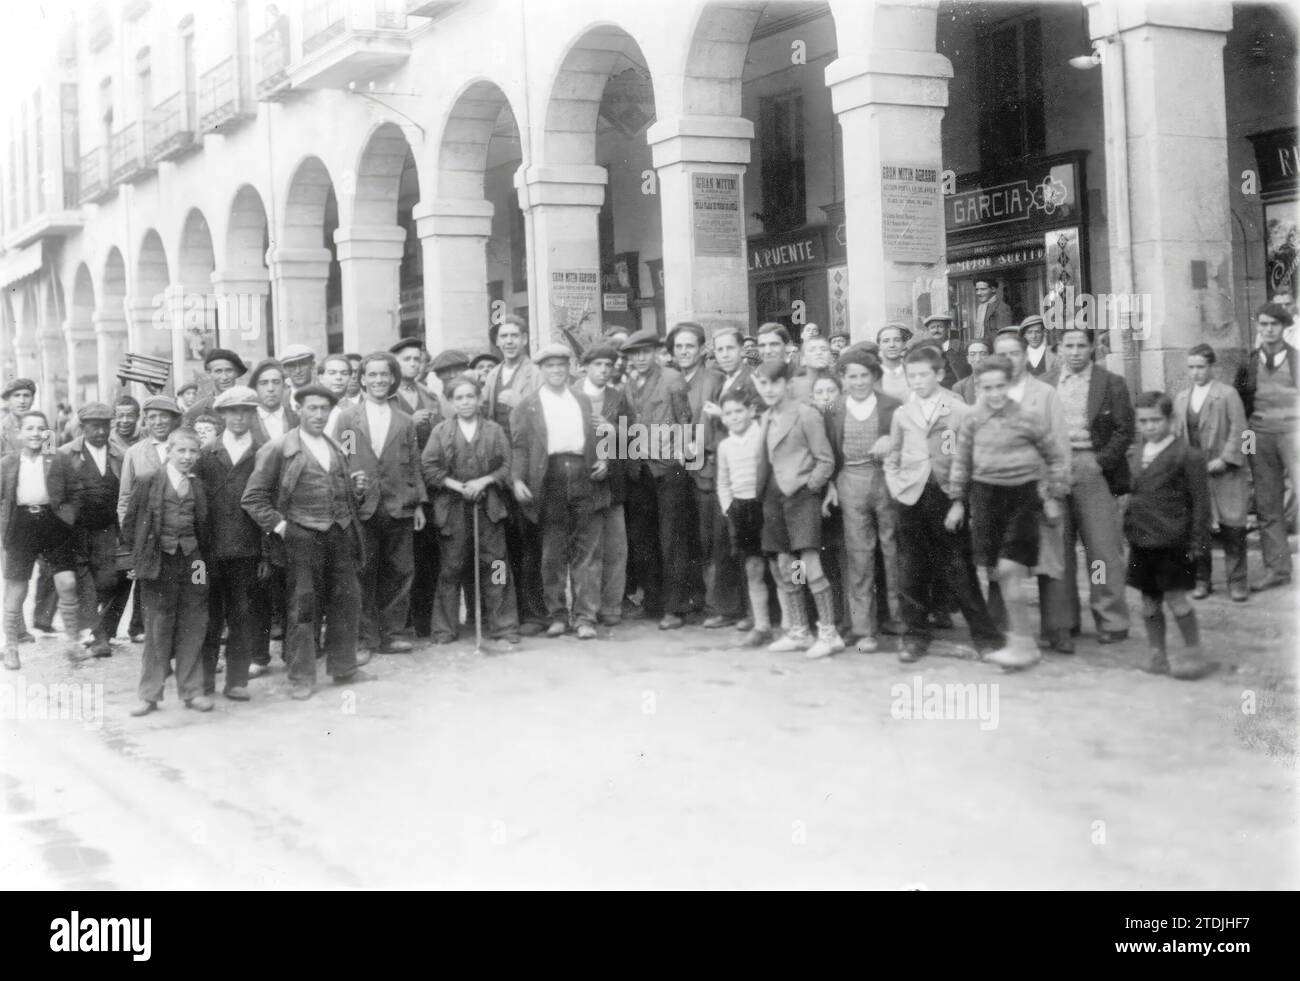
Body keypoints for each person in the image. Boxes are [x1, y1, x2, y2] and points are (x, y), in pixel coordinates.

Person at [242, 384, 369, 700]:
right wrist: (283, 527)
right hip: (302, 537)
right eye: (312, 408)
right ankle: (301, 677)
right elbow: (253, 497)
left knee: (347, 599)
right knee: (303, 607)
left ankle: (344, 668)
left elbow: (338, 492)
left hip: (339, 532)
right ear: (298, 409)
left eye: (324, 409)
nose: (319, 414)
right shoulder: (279, 447)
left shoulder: (334, 446)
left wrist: (357, 489)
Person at [945, 356, 1067, 670]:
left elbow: (1054, 456)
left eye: (1001, 386)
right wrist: (958, 501)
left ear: (1010, 385)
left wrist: (1052, 494)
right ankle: (1022, 643)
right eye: (988, 388)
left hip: (1021, 498)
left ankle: (1022, 644)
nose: (995, 393)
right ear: (979, 388)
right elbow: (961, 462)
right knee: (998, 573)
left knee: (1010, 569)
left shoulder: (1028, 417)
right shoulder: (972, 418)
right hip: (985, 497)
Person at [885, 347, 1004, 663]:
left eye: (924, 374)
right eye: (912, 376)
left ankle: (986, 638)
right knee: (911, 569)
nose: (918, 381)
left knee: (959, 569)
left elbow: (967, 459)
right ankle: (915, 636)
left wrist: (959, 502)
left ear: (938, 375)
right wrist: (897, 486)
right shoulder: (902, 413)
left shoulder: (958, 410)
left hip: (946, 497)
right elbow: (892, 456)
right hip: (910, 497)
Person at [509, 344, 606, 640]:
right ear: (541, 370)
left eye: (561, 366)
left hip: (582, 473)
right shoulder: (529, 404)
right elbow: (520, 446)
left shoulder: (583, 400)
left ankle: (585, 617)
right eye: (549, 366)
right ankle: (557, 615)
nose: (556, 371)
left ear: (569, 368)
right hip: (548, 477)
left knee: (587, 550)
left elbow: (596, 435)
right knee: (552, 552)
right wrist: (516, 479)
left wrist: (604, 457)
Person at [1043, 327, 1132, 647]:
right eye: (1069, 345)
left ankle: (1111, 618)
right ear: (1059, 349)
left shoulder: (1111, 383)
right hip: (1055, 468)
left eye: (1082, 345)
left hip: (1091, 468)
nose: (1076, 351)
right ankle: (1066, 621)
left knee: (1102, 550)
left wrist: (1100, 461)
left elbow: (1124, 431)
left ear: (1092, 348)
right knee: (1059, 549)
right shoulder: (1046, 383)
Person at [988, 328, 1074, 652]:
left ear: (1025, 356)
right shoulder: (990, 395)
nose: (1008, 360)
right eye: (1002, 354)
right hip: (1001, 491)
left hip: (1039, 491)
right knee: (1002, 561)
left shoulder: (1045, 394)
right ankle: (1000, 627)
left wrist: (1055, 490)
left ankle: (1056, 629)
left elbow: (1059, 446)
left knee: (1049, 562)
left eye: (1014, 353)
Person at [336, 351, 427, 655]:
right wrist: (351, 486)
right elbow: (343, 458)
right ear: (361, 379)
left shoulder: (404, 421)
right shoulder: (349, 418)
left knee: (399, 570)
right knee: (362, 571)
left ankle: (392, 633)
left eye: (384, 375)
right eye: (371, 375)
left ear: (392, 379)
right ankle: (363, 639)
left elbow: (414, 465)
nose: (378, 380)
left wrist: (417, 505)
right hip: (362, 506)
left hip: (398, 504)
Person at [752, 360, 842, 659]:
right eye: (762, 383)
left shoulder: (806, 414)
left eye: (774, 383)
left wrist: (810, 489)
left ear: (787, 384)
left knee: (810, 565)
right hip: (773, 498)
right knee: (785, 567)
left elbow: (825, 459)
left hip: (801, 497)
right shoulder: (765, 417)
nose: (768, 389)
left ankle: (829, 634)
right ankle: (800, 632)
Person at [422, 373, 519, 646]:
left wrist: (484, 481)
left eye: (470, 397)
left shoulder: (494, 431)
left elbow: (507, 466)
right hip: (452, 510)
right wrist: (457, 485)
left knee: (497, 564)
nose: (465, 402)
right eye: (459, 398)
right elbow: (429, 467)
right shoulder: (440, 431)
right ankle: (444, 629)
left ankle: (504, 624)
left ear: (479, 399)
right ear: (451, 402)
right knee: (451, 568)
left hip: (489, 508)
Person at [122, 428, 213, 716]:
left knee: (195, 620)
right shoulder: (149, 481)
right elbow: (129, 525)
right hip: (159, 561)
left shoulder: (199, 486)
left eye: (192, 452)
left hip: (195, 562)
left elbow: (205, 527)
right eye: (181, 451)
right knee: (157, 627)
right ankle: (149, 695)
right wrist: (139, 561)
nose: (187, 457)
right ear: (169, 452)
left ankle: (192, 691)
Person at [1125, 392, 1215, 679]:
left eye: (1155, 420)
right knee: (1149, 602)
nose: (1149, 427)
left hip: (1173, 542)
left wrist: (1198, 543)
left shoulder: (1187, 455)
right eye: (1143, 421)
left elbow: (1201, 503)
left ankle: (1193, 654)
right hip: (1143, 541)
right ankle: (1157, 655)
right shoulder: (1138, 452)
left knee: (1176, 599)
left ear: (1171, 420)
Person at [824, 349, 902, 652]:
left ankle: (899, 619)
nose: (858, 381)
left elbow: (909, 441)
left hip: (886, 479)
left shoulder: (892, 406)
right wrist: (832, 484)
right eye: (851, 376)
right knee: (859, 555)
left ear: (874, 376)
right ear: (843, 379)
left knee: (894, 550)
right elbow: (828, 450)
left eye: (864, 375)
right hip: (850, 482)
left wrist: (892, 442)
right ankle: (863, 628)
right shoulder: (834, 408)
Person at [193, 387, 265, 702]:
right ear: (222, 415)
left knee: (243, 615)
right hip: (210, 552)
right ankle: (205, 681)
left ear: (253, 414)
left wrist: (265, 551)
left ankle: (236, 680)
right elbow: (195, 504)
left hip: (247, 551)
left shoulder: (264, 452)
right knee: (208, 616)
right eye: (232, 410)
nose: (239, 416)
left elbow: (271, 501)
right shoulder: (206, 454)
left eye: (246, 410)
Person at [620, 329, 695, 629]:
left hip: (668, 468)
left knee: (672, 538)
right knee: (643, 538)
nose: (640, 358)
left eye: (645, 352)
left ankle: (675, 608)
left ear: (655, 353)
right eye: (634, 354)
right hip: (639, 470)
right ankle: (652, 601)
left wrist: (683, 460)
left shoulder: (671, 379)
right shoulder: (627, 384)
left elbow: (685, 420)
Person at [0, 411, 86, 670]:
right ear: (20, 433)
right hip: (21, 525)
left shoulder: (57, 459)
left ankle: (72, 643)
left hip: (53, 523)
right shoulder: (8, 462)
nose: (36, 434)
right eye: (30, 429)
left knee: (67, 582)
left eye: (41, 429)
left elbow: (76, 492)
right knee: (16, 588)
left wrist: (66, 519)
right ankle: (11, 647)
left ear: (48, 433)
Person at [479, 316, 546, 635]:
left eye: (514, 336)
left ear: (525, 339)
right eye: (503, 336)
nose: (508, 341)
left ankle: (535, 612)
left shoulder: (536, 374)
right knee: (504, 545)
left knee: (531, 541)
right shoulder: (492, 374)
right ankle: (507, 612)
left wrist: (523, 405)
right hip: (500, 467)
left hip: (528, 466)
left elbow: (547, 417)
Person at [671, 321, 738, 627]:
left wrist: (694, 448)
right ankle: (693, 599)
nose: (684, 352)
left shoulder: (714, 380)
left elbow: (717, 426)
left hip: (706, 469)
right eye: (678, 346)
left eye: (689, 346)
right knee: (685, 538)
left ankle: (718, 603)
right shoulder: (670, 379)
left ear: (701, 350)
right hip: (676, 471)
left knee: (712, 537)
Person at [47, 402, 127, 660]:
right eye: (94, 427)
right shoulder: (65, 454)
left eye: (105, 426)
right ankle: (99, 636)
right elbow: (56, 496)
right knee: (85, 583)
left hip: (107, 529)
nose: (101, 432)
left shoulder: (120, 454)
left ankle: (99, 631)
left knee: (111, 580)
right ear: (82, 428)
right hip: (76, 530)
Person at [1173, 344, 1250, 602]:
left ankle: (1237, 582)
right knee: (1199, 527)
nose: (1196, 372)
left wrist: (1226, 458)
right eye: (1191, 367)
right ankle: (1201, 579)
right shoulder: (1182, 398)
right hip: (1196, 474)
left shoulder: (1227, 394)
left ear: (1211, 367)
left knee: (1233, 528)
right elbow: (1177, 435)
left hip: (1224, 472)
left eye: (1201, 367)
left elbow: (1240, 429)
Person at [1233, 301, 1297, 591]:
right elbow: (1240, 404)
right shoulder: (1249, 362)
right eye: (1263, 324)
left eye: (1273, 324)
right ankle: (1278, 569)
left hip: (1294, 436)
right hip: (1260, 437)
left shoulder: (1297, 359)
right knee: (1268, 503)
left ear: (1284, 327)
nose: (1268, 329)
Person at [576, 344, 634, 627]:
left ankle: (611, 606)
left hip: (612, 485)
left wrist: (613, 434)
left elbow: (633, 440)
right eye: (597, 365)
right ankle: (585, 608)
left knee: (616, 547)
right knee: (587, 550)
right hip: (580, 484)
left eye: (608, 366)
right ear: (585, 366)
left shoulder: (618, 397)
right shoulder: (572, 394)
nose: (602, 371)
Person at [389, 337, 443, 638]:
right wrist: (410, 419)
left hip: (430, 482)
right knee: (400, 556)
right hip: (400, 484)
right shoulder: (387, 396)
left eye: (418, 359)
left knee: (427, 554)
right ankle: (401, 621)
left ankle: (425, 619)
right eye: (407, 359)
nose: (413, 364)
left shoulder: (430, 395)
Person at [716, 388, 771, 646]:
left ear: (751, 411)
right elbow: (723, 482)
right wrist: (730, 509)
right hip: (742, 510)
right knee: (753, 568)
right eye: (728, 413)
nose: (735, 417)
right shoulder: (725, 446)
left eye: (739, 411)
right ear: (723, 418)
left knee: (785, 567)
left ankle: (796, 623)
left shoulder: (762, 436)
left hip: (767, 506)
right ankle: (761, 625)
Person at [184, 349, 248, 424]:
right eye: (218, 371)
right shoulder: (196, 411)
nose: (224, 377)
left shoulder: (249, 406)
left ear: (237, 373)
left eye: (229, 370)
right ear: (209, 374)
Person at [249, 358, 298, 444]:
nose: (270, 389)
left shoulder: (297, 419)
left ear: (284, 386)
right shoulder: (246, 421)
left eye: (276, 382)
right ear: (255, 388)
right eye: (264, 383)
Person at [921, 313, 970, 387]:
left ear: (948, 328)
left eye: (940, 327)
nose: (936, 330)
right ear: (928, 330)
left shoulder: (960, 347)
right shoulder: (925, 350)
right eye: (932, 327)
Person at [316, 354, 354, 437]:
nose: (338, 377)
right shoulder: (311, 409)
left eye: (344, 373)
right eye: (332, 373)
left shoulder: (356, 411)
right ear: (321, 378)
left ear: (350, 378)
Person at [1, 379, 37, 456]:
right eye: (16, 395)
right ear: (8, 400)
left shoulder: (44, 429)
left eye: (26, 396)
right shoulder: (1, 431)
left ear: (33, 400)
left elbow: (52, 462)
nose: (22, 401)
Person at [876, 324, 911, 401]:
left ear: (904, 344)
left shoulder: (913, 371)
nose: (892, 345)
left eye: (897, 340)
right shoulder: (873, 374)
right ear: (879, 345)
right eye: (886, 341)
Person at [953, 339, 989, 405]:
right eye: (972, 354)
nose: (978, 359)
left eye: (983, 354)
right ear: (968, 359)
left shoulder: (1002, 382)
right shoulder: (960, 388)